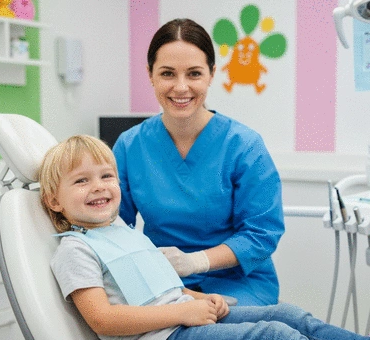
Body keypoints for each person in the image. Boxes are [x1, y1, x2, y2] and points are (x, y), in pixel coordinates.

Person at [39, 135, 370, 340]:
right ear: (54, 201)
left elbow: (159, 288)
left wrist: (199, 299)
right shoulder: (76, 249)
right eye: (82, 180)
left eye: (106, 176)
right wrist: (182, 314)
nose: (98, 186)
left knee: (288, 316)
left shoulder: (122, 233)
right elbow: (103, 319)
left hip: (183, 324)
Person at [112, 18, 284, 306]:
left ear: (212, 74)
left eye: (194, 74)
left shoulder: (243, 146)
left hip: (238, 285)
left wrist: (196, 261)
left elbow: (262, 234)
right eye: (167, 73)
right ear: (150, 75)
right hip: (161, 283)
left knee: (227, 333)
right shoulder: (129, 147)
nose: (181, 88)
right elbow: (113, 224)